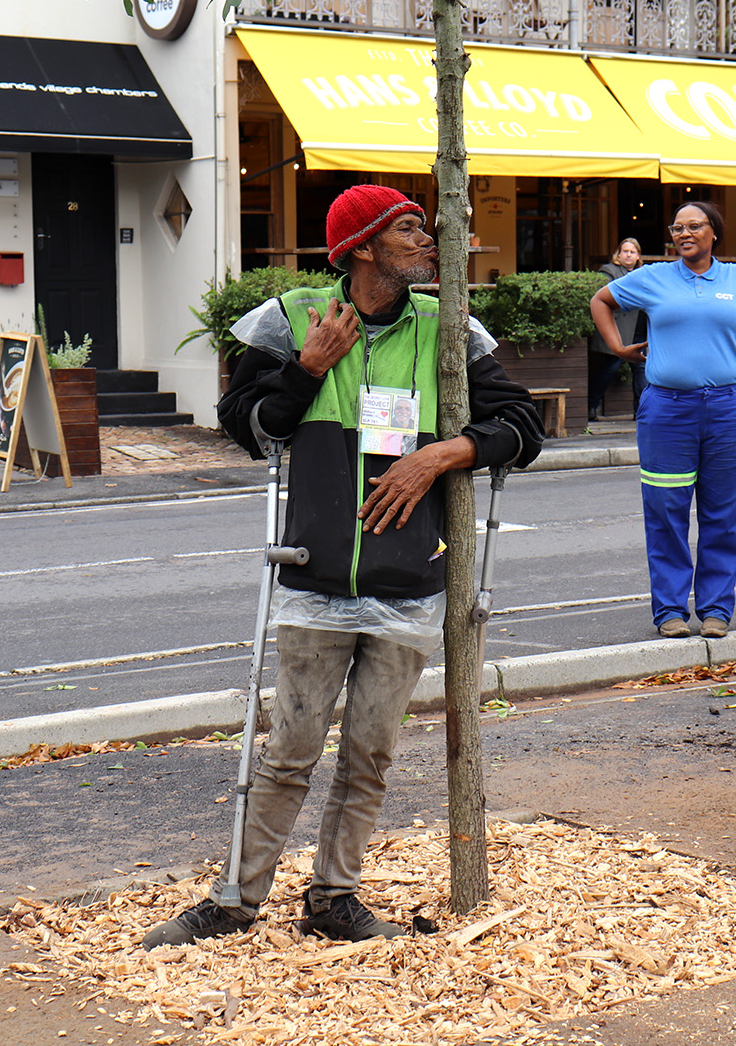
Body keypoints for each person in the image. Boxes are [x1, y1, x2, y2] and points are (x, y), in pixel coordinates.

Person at [142, 185, 543, 947]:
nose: (429, 241)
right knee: (289, 751)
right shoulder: (296, 320)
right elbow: (243, 424)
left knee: (371, 755)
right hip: (314, 581)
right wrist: (305, 369)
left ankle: (334, 896)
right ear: (362, 248)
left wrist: (438, 455)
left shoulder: (447, 327)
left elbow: (521, 425)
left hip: (409, 587)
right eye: (409, 230)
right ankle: (236, 897)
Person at [589, 201, 736, 640]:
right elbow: (601, 301)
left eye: (694, 226)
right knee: (666, 511)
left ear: (713, 232)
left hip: (728, 408)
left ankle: (717, 610)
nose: (684, 234)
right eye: (677, 228)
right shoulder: (654, 277)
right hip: (667, 409)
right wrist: (619, 348)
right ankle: (669, 612)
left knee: (725, 511)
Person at [588, 237, 648, 419]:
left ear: (638, 256)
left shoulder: (644, 273)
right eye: (625, 251)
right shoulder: (609, 271)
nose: (628, 255)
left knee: (641, 372)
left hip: (641, 328)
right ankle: (591, 406)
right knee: (609, 369)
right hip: (620, 329)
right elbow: (608, 295)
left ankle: (640, 411)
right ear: (618, 254)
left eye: (632, 252)